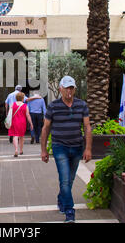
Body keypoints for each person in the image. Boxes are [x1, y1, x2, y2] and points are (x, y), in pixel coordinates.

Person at [40, 75, 92, 223]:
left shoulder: (81, 105)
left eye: (71, 88)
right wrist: (43, 150)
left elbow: (87, 127)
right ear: (60, 89)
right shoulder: (53, 106)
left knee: (69, 180)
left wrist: (88, 149)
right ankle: (70, 212)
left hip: (77, 147)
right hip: (59, 147)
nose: (69, 91)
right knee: (64, 180)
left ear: (74, 89)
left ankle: (61, 198)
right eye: (66, 88)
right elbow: (45, 128)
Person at [8, 92, 34, 157]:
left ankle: (16, 149)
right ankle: (21, 150)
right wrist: (31, 123)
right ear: (22, 98)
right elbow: (28, 115)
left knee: (15, 136)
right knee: (21, 137)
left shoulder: (13, 104)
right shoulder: (25, 105)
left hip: (14, 122)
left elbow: (9, 114)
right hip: (22, 122)